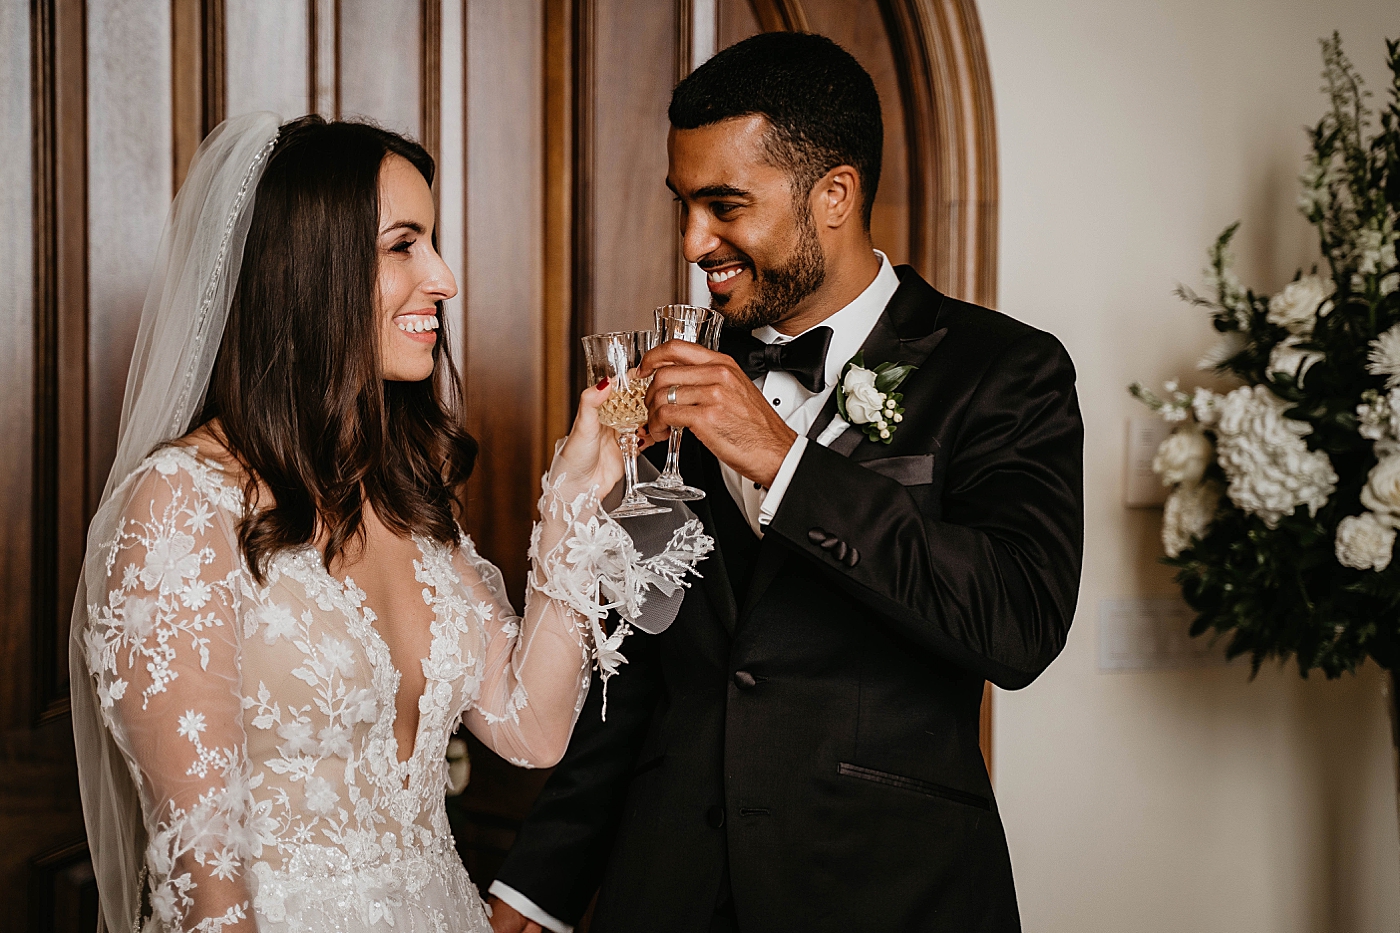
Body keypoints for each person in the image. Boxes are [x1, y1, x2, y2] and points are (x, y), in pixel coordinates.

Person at [486, 31, 1084, 933]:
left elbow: (1017, 622)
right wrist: (540, 884)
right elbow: (638, 660)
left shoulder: (1006, 370)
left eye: (725, 205)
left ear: (834, 194)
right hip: (667, 893)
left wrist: (781, 459)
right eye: (683, 205)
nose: (694, 242)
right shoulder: (669, 376)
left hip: (891, 893)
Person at [69, 113, 710, 933]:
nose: (443, 277)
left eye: (432, 243)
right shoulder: (182, 503)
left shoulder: (405, 495)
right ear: (308, 271)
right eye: (404, 244)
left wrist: (575, 500)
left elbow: (532, 726)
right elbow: (203, 877)